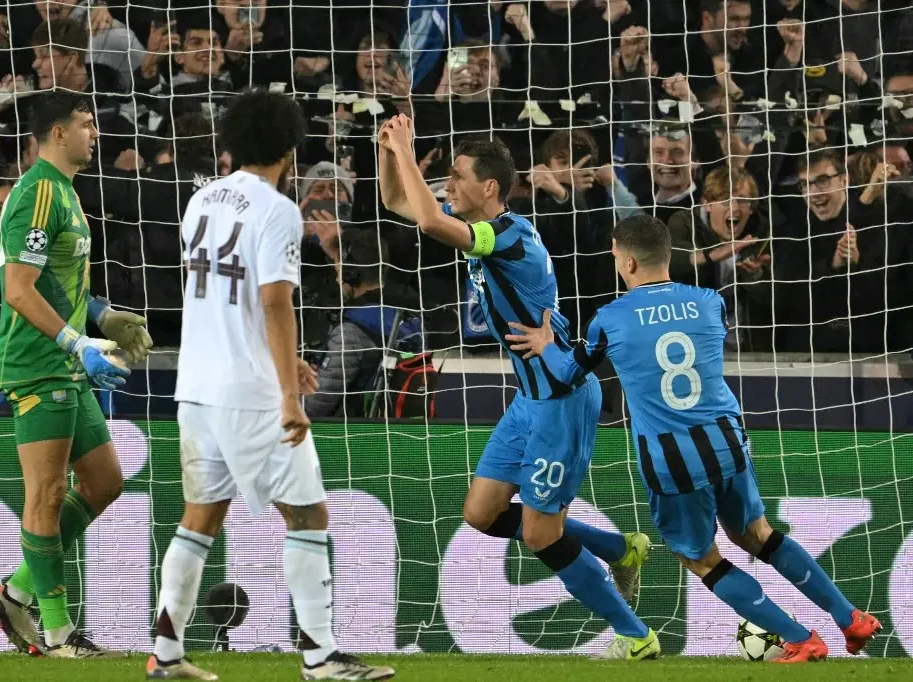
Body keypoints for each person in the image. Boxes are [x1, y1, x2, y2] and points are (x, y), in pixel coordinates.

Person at [503, 214, 884, 663]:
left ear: (626, 261)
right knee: (760, 535)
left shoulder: (609, 319)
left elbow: (568, 373)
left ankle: (800, 637)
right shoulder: (709, 301)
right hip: (728, 442)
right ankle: (850, 617)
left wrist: (547, 342)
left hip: (672, 459)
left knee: (703, 560)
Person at [378, 113, 660, 661]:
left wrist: (410, 150)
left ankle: (634, 635)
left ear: (488, 187)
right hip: (529, 400)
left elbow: (432, 222)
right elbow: (397, 203)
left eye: (456, 176)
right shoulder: (486, 233)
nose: (447, 185)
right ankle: (621, 548)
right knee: (481, 514)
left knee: (539, 535)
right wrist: (388, 149)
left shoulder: (506, 236)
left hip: (561, 399)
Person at [147, 90, 395, 682]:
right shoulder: (280, 209)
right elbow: (274, 303)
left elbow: (221, 300)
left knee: (199, 519)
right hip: (251, 393)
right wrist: (288, 392)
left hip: (198, 385)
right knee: (307, 514)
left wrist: (286, 365)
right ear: (291, 147)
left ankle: (166, 653)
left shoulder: (201, 199)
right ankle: (319, 656)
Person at [0, 91, 153, 658]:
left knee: (104, 484)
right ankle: (56, 632)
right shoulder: (34, 194)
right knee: (49, 493)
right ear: (57, 133)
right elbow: (17, 289)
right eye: (85, 124)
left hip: (64, 360)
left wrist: (104, 314)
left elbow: (54, 280)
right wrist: (77, 341)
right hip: (37, 364)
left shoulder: (64, 194)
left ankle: (17, 591)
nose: (94, 134)